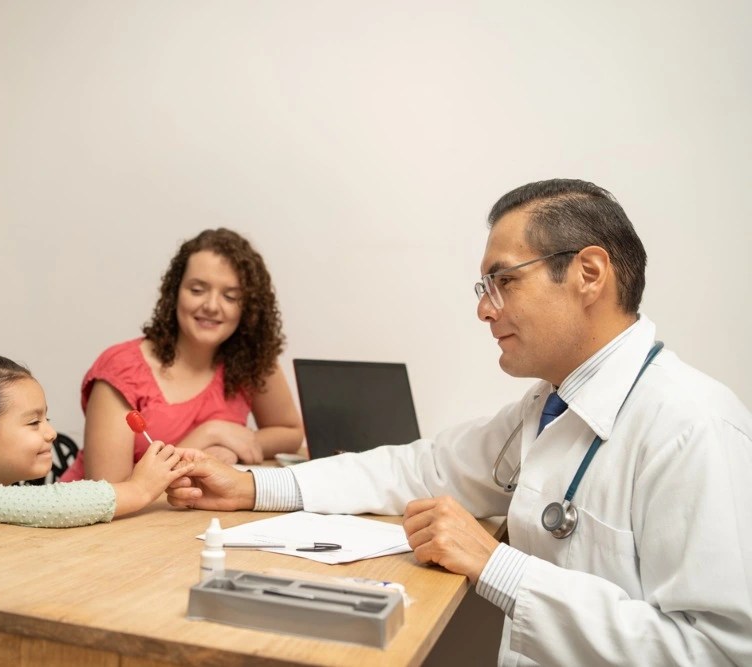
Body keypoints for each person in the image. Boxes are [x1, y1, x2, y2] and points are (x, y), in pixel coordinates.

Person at [165, 180, 752, 665]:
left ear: (589, 274)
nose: (483, 308)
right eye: (484, 286)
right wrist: (253, 485)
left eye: (504, 281)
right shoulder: (548, 408)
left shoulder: (692, 426)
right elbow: (418, 467)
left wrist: (498, 565)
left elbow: (719, 653)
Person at [60, 228, 304, 484]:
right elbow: (109, 491)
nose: (211, 306)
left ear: (249, 307)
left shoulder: (251, 360)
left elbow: (290, 432)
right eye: (197, 290)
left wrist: (232, 447)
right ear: (175, 292)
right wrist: (210, 434)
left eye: (230, 296)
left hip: (185, 519)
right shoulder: (121, 369)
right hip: (99, 519)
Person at [0, 349, 194, 544]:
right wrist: (139, 489)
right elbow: (57, 503)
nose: (51, 433)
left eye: (47, 419)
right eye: (33, 423)